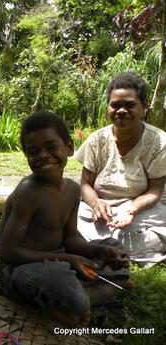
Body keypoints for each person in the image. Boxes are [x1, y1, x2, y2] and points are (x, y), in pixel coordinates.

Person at [0, 111, 130, 326]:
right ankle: (82, 298)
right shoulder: (28, 192)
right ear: (26, 156)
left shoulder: (72, 190)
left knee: (115, 246)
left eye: (50, 147)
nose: (42, 155)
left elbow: (70, 241)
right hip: (19, 269)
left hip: (59, 260)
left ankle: (70, 299)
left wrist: (103, 252)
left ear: (69, 148)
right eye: (33, 151)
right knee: (57, 279)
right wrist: (68, 260)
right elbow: (6, 252)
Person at [75, 72, 166, 265]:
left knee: (159, 221)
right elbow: (85, 185)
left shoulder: (159, 142)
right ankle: (117, 247)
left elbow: (155, 191)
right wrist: (96, 204)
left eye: (130, 105)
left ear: (143, 106)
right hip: (100, 210)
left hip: (142, 209)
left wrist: (131, 209)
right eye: (115, 105)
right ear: (108, 107)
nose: (121, 110)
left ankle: (95, 246)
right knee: (68, 215)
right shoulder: (96, 140)